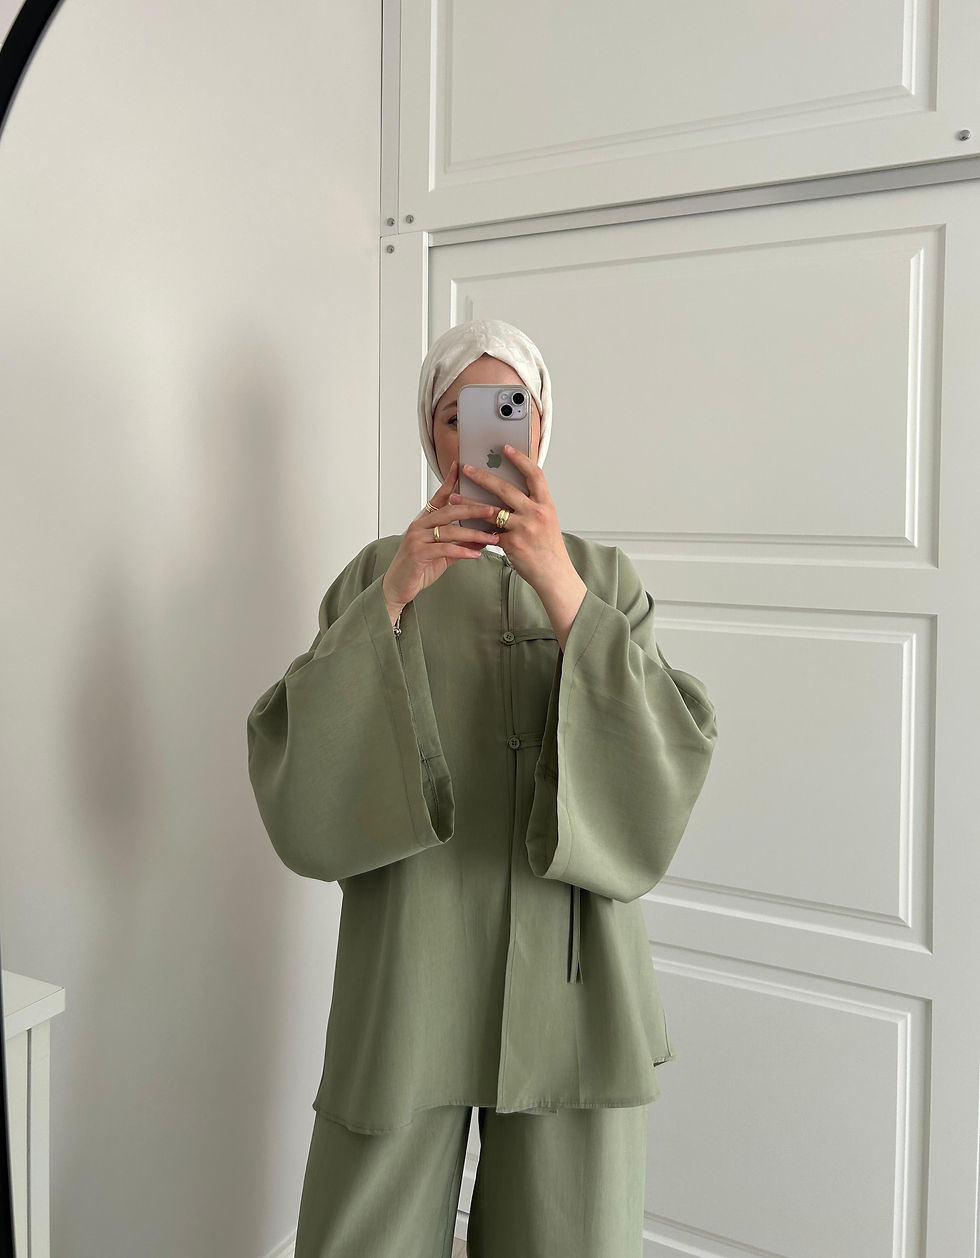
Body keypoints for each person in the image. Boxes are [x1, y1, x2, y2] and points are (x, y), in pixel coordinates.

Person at [246, 318, 719, 1257]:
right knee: (363, 1232)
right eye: (458, 412)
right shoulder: (375, 572)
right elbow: (300, 747)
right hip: (410, 950)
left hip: (572, 964)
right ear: (433, 434)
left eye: (511, 407)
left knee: (570, 1232)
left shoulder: (603, 576)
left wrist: (560, 586)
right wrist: (396, 592)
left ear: (540, 426)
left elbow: (666, 751)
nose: (486, 432)